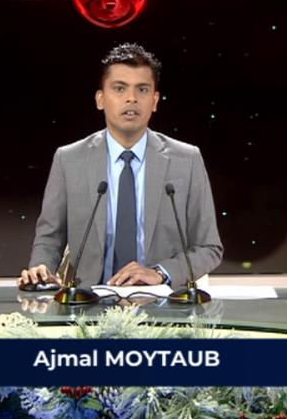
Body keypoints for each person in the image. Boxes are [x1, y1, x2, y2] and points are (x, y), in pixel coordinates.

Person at [18, 43, 223, 289]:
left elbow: (209, 248)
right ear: (100, 99)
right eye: (119, 88)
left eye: (142, 89)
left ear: (155, 100)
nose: (131, 98)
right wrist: (41, 270)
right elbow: (49, 240)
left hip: (162, 300)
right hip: (87, 301)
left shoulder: (187, 160)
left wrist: (159, 273)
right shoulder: (69, 159)